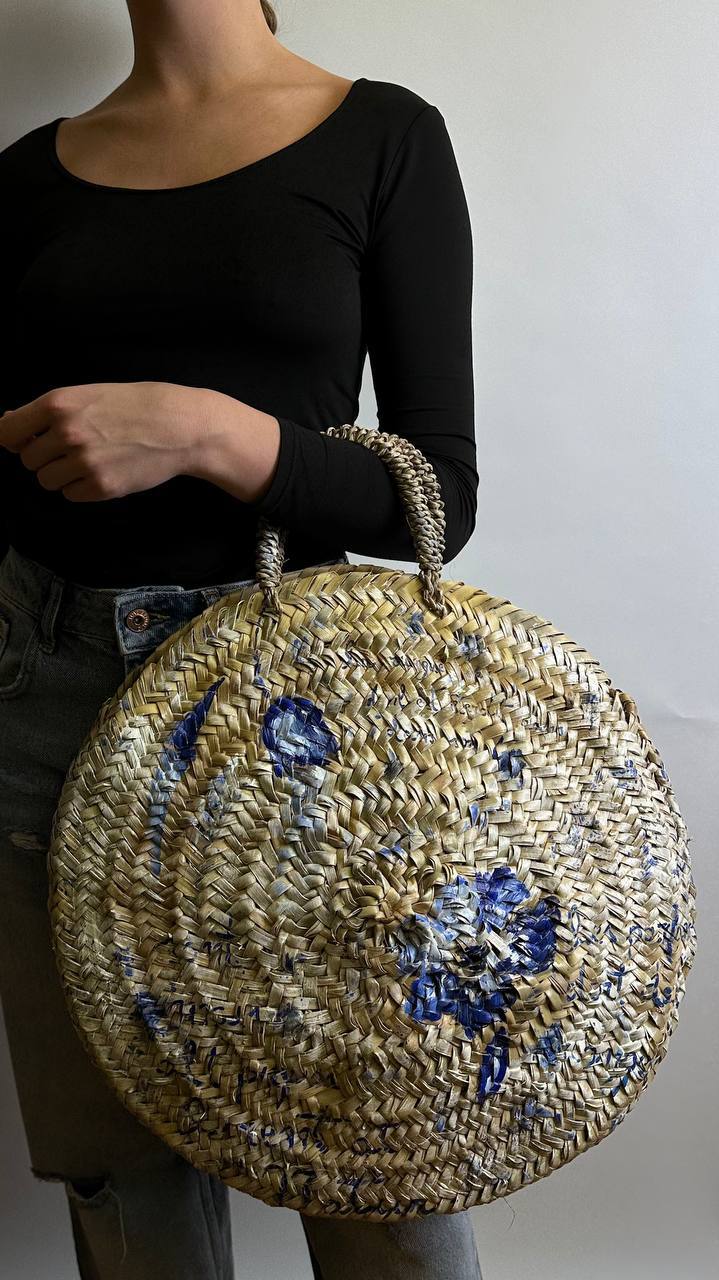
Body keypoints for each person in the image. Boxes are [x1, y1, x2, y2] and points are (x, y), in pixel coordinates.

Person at [0, 1, 480, 1276]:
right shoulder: (23, 178)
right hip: (48, 687)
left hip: (296, 712)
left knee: (382, 1151)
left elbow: (437, 498)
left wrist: (210, 432)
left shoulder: (380, 136)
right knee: (122, 1185)